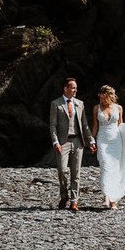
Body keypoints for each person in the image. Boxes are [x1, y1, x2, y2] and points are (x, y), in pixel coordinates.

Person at [92, 85, 125, 210]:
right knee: (105, 167)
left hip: (116, 142)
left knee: (115, 170)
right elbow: (95, 126)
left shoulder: (118, 108)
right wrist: (91, 141)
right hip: (102, 141)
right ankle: (106, 196)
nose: (101, 100)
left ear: (109, 97)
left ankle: (113, 200)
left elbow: (120, 125)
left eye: (103, 98)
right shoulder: (96, 108)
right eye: (100, 97)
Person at [49, 77, 95, 211]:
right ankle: (64, 196)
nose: (75, 90)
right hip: (63, 142)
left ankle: (74, 201)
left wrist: (90, 140)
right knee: (62, 170)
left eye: (76, 88)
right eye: (73, 87)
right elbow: (52, 125)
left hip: (78, 141)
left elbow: (85, 124)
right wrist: (55, 141)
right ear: (66, 88)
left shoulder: (79, 103)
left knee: (76, 173)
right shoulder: (56, 104)